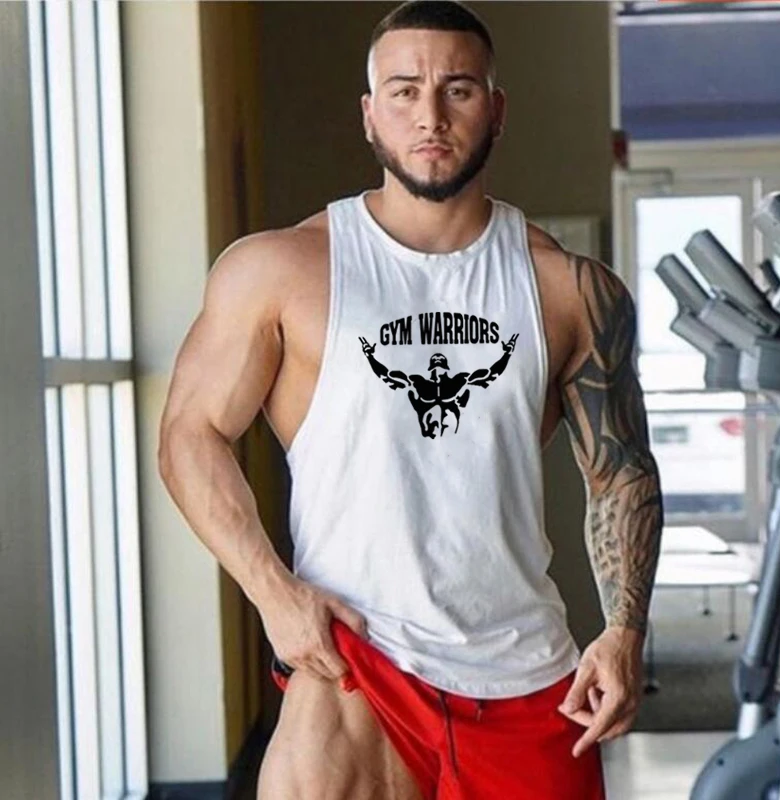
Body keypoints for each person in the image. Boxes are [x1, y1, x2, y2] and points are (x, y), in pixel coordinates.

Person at [158, 1, 664, 798]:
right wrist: (274, 595)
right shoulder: (280, 271)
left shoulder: (570, 290)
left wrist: (625, 629)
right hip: (354, 664)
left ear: (496, 109)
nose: (430, 115)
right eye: (404, 91)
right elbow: (188, 437)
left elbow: (622, 470)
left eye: (458, 89)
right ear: (370, 114)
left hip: (528, 677)